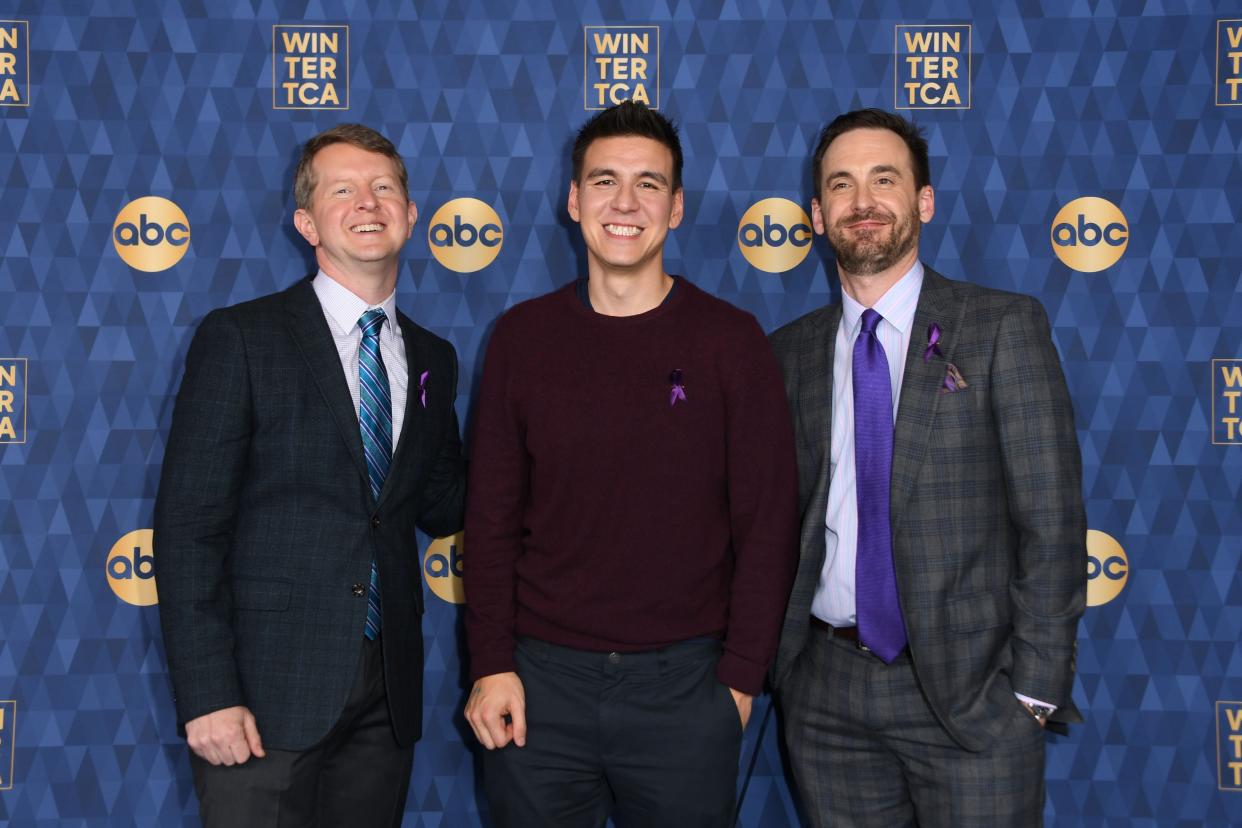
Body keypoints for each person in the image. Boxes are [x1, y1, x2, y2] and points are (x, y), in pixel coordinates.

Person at [462, 101, 798, 827]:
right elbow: (489, 523)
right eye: (605, 180)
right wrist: (491, 665)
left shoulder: (732, 344)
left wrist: (738, 683)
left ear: (676, 209)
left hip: (687, 690)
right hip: (538, 687)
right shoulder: (521, 339)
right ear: (574, 199)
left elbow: (769, 526)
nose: (625, 202)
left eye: (649, 184)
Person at [769, 108, 1086, 827]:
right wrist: (786, 673)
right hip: (827, 698)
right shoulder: (787, 352)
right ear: (818, 216)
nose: (864, 203)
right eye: (841, 186)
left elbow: (1052, 523)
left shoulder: (1001, 327)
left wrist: (1031, 694)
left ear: (924, 200)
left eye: (885, 179)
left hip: (974, 703)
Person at [154, 123, 465, 827]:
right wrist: (207, 693)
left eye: (386, 188)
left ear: (412, 215)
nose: (369, 202)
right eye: (343, 189)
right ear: (306, 221)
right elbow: (187, 528)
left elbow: (445, 503)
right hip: (262, 696)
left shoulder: (433, 360)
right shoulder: (241, 338)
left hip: (386, 693)